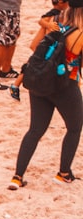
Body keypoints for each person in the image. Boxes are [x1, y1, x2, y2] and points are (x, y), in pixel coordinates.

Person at [9, 0, 83, 189]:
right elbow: (76, 56)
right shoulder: (80, 31)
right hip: (64, 86)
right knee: (74, 128)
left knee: (35, 130)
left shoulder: (54, 21)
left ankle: (17, 176)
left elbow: (34, 46)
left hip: (40, 81)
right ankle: (64, 173)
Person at [9, 0, 70, 101]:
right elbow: (41, 21)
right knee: (33, 66)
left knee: (33, 65)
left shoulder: (59, 14)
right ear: (61, 3)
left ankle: (16, 85)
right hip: (44, 48)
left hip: (43, 47)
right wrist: (49, 25)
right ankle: (15, 85)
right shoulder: (54, 14)